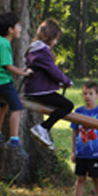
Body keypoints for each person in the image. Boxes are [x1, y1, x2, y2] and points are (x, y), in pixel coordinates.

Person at [0, 12, 33, 159]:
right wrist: (24, 73)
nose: (20, 28)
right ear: (10, 29)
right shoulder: (5, 43)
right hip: (1, 81)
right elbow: (8, 66)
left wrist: (21, 71)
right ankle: (14, 141)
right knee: (17, 108)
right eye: (18, 25)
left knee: (3, 105)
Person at [23, 18, 74, 151]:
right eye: (55, 39)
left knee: (61, 104)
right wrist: (66, 81)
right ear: (49, 37)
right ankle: (43, 128)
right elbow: (53, 70)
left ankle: (43, 128)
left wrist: (59, 83)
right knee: (68, 105)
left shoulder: (35, 49)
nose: (55, 42)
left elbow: (44, 72)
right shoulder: (41, 52)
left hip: (34, 88)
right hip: (39, 90)